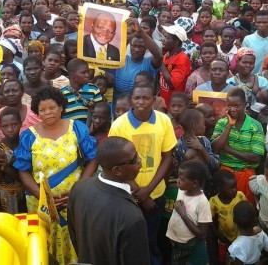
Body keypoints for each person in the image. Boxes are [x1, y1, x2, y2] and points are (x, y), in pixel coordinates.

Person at [13, 86, 98, 265]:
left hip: (75, 200)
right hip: (41, 204)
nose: (48, 113)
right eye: (42, 110)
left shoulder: (77, 128)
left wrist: (77, 192)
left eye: (52, 107)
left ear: (61, 107)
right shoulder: (28, 135)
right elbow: (23, 170)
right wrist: (44, 198)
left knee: (77, 243)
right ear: (37, 112)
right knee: (44, 248)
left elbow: (92, 160)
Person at [108, 82, 176, 265]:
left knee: (150, 240)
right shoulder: (119, 125)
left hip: (156, 194)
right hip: (127, 195)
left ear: (154, 100)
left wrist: (149, 191)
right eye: (137, 98)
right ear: (131, 99)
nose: (141, 102)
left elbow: (167, 157)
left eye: (146, 98)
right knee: (129, 241)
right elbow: (115, 163)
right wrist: (140, 194)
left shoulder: (164, 121)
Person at [68, 136, 150, 265]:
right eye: (134, 160)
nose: (140, 160)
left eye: (137, 155)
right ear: (117, 170)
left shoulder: (79, 188)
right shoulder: (132, 217)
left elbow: (75, 236)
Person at [211, 88, 265, 204]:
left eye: (237, 106)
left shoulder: (255, 126)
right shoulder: (222, 123)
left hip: (247, 175)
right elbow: (215, 148)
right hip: (224, 174)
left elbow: (256, 157)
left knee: (245, 211)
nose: (233, 109)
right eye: (229, 106)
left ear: (245, 105)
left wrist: (228, 149)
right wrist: (229, 125)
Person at [166, 160, 212, 264]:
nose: (178, 180)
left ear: (194, 183)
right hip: (177, 246)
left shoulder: (202, 203)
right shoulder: (182, 190)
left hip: (193, 249)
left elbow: (202, 234)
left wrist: (183, 215)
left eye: (181, 179)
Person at [0, 107, 25, 214]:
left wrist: (5, 167)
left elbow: (26, 178)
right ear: (0, 127)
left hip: (23, 196)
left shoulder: (26, 144)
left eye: (14, 124)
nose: (10, 129)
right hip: (2, 198)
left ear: (21, 123)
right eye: (5, 126)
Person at [209, 170, 247, 264]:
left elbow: (247, 212)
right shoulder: (214, 201)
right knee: (222, 256)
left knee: (239, 256)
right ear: (219, 189)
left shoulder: (240, 196)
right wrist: (218, 235)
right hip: (223, 237)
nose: (235, 189)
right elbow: (210, 220)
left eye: (235, 186)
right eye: (231, 188)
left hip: (240, 235)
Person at [227, 200, 268, 265]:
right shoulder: (260, 232)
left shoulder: (235, 246)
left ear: (234, 221)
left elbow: (234, 261)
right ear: (255, 220)